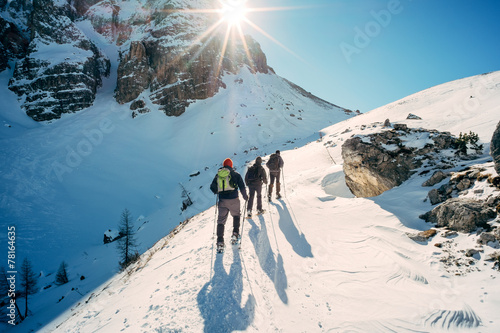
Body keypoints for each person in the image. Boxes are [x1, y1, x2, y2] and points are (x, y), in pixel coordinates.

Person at [210, 158, 248, 252]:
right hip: (234, 200)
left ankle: (220, 242)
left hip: (222, 200)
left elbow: (212, 188)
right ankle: (235, 234)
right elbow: (242, 186)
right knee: (236, 216)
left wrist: (218, 191)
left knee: (221, 221)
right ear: (231, 165)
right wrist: (245, 196)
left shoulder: (218, 175)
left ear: (223, 165)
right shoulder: (235, 174)